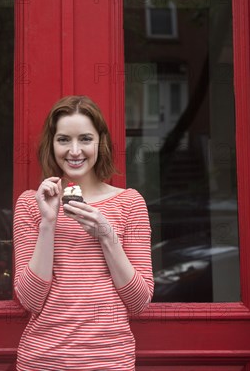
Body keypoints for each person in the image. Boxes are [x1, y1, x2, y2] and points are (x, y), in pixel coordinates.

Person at [13, 95, 154, 370]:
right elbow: (30, 300)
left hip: (110, 360)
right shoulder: (31, 203)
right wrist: (48, 223)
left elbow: (139, 301)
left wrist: (106, 235)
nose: (74, 151)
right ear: (51, 143)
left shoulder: (130, 203)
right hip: (43, 360)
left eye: (85, 139)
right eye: (64, 139)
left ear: (100, 142)